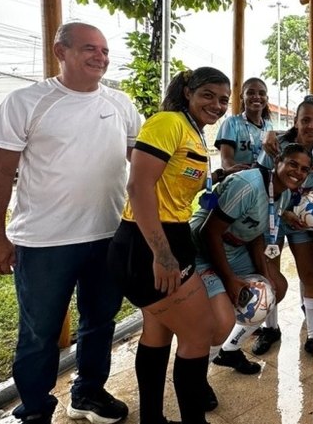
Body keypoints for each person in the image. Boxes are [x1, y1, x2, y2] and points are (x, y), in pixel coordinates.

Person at [0, 22, 140, 424]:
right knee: (39, 332)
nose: (101, 57)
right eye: (90, 48)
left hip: (108, 236)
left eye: (106, 51)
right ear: (61, 51)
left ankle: (87, 395)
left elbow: (143, 165)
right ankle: (35, 411)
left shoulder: (121, 105)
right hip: (44, 242)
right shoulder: (26, 102)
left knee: (99, 323)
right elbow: (0, 172)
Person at [108, 67, 238, 424]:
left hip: (166, 237)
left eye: (224, 99)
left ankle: (152, 418)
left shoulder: (193, 133)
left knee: (158, 331)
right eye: (208, 95)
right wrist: (162, 254)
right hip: (150, 241)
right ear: (188, 94)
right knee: (200, 333)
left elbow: (175, 182)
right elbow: (138, 187)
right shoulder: (168, 122)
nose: (217, 104)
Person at [190, 145, 310, 382]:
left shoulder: (282, 192)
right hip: (201, 250)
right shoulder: (248, 186)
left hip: (234, 248)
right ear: (278, 162)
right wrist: (229, 279)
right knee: (223, 318)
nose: (298, 172)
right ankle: (196, 379)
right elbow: (209, 233)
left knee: (276, 288)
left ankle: (229, 350)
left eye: (304, 169)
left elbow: (255, 232)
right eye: (293, 164)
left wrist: (265, 274)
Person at [257, 96, 313, 363]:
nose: (312, 126)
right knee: (270, 274)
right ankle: (270, 329)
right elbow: (261, 179)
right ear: (296, 121)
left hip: (304, 220)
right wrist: (283, 211)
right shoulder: (277, 144)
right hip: (273, 215)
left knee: (311, 275)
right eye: (306, 120)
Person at [215, 77, 273, 168]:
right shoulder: (231, 123)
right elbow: (226, 160)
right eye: (250, 93)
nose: (257, 96)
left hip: (264, 179)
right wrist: (244, 176)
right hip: (240, 178)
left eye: (262, 93)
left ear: (267, 98)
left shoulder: (269, 127)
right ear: (242, 96)